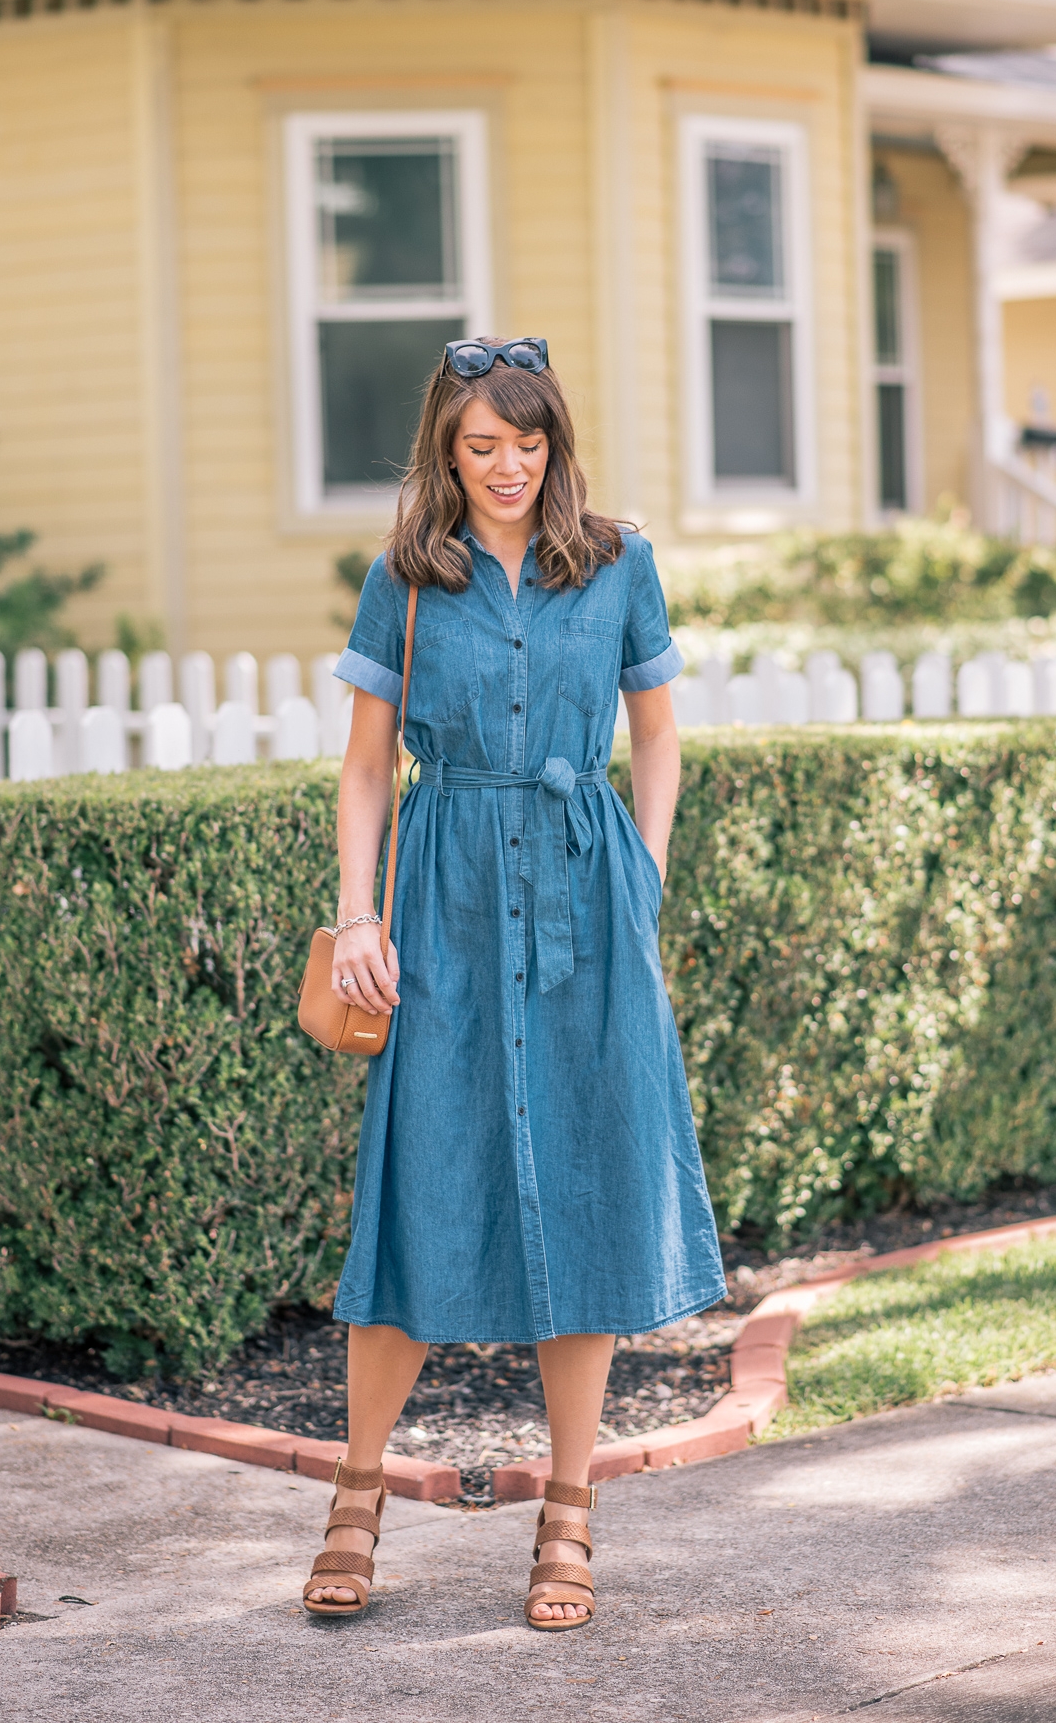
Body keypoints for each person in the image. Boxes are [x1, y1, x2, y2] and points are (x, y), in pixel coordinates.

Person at [302, 337, 726, 1631]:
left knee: (588, 1188)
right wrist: (357, 911)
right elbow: (368, 767)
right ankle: (356, 1497)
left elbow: (655, 731)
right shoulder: (405, 580)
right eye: (479, 445)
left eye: (525, 441)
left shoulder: (617, 564)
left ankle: (569, 1512)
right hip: (443, 898)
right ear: (445, 450)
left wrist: (640, 875)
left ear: (555, 439)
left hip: (584, 889)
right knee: (423, 1178)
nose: (506, 466)